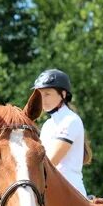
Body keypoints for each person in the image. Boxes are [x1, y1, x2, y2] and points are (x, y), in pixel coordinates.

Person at [32, 68, 92, 198]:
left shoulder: (71, 120)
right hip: (51, 192)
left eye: (47, 94)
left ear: (63, 94)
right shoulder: (48, 125)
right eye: (40, 95)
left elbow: (50, 162)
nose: (43, 99)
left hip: (71, 193)